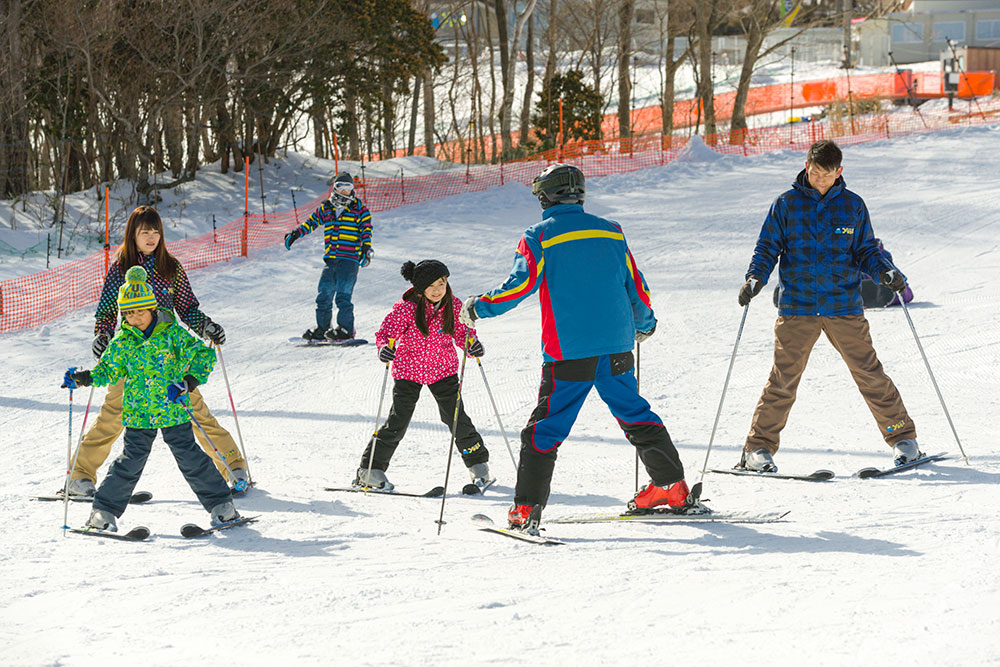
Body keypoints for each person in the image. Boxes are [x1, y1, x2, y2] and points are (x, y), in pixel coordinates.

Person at [458, 163, 693, 535]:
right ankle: (672, 488)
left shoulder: (539, 235)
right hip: (616, 346)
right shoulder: (612, 231)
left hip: (569, 351)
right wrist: (644, 324)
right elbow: (635, 284)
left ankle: (525, 510)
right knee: (634, 413)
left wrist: (477, 306)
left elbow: (518, 287)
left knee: (544, 430)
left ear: (545, 196)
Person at [736, 139, 920, 473]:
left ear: (840, 172)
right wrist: (755, 278)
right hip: (798, 307)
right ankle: (757, 450)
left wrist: (887, 273)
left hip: (843, 305)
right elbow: (767, 247)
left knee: (870, 374)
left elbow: (867, 251)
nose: (822, 180)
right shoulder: (787, 204)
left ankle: (903, 440)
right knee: (783, 380)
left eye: (829, 175)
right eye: (817, 173)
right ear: (807, 167)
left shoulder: (853, 205)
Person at [67, 205, 248, 498]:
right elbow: (106, 312)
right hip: (131, 356)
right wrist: (102, 335)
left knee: (195, 411)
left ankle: (234, 466)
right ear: (133, 235)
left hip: (167, 356)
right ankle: (80, 476)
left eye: (155, 232)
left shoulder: (170, 267)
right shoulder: (120, 269)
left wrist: (206, 327)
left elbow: (187, 307)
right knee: (113, 416)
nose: (151, 238)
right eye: (144, 232)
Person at [61, 266, 239, 532]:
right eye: (129, 313)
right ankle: (102, 513)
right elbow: (107, 370)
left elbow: (205, 356)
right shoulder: (122, 341)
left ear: (153, 308)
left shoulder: (172, 333)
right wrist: (83, 378)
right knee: (128, 464)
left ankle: (222, 507)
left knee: (191, 459)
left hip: (173, 410)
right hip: (139, 415)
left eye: (140, 312)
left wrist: (188, 382)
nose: (135, 319)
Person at [355, 260, 492, 491]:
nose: (438, 290)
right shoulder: (405, 309)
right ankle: (370, 470)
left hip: (443, 371)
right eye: (432, 286)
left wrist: (472, 344)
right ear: (420, 289)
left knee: (456, 418)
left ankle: (479, 466)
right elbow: (386, 333)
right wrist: (383, 348)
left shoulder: (453, 305)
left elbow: (463, 333)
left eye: (442, 283)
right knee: (398, 420)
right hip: (408, 372)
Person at [284, 171, 373, 342]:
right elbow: (311, 222)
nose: (345, 191)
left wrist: (365, 248)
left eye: (349, 188)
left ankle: (346, 329)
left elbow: (366, 231)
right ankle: (323, 329)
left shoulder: (359, 210)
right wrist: (296, 234)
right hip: (331, 259)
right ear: (335, 188)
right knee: (323, 293)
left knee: (343, 295)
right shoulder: (327, 208)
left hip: (349, 259)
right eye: (341, 187)